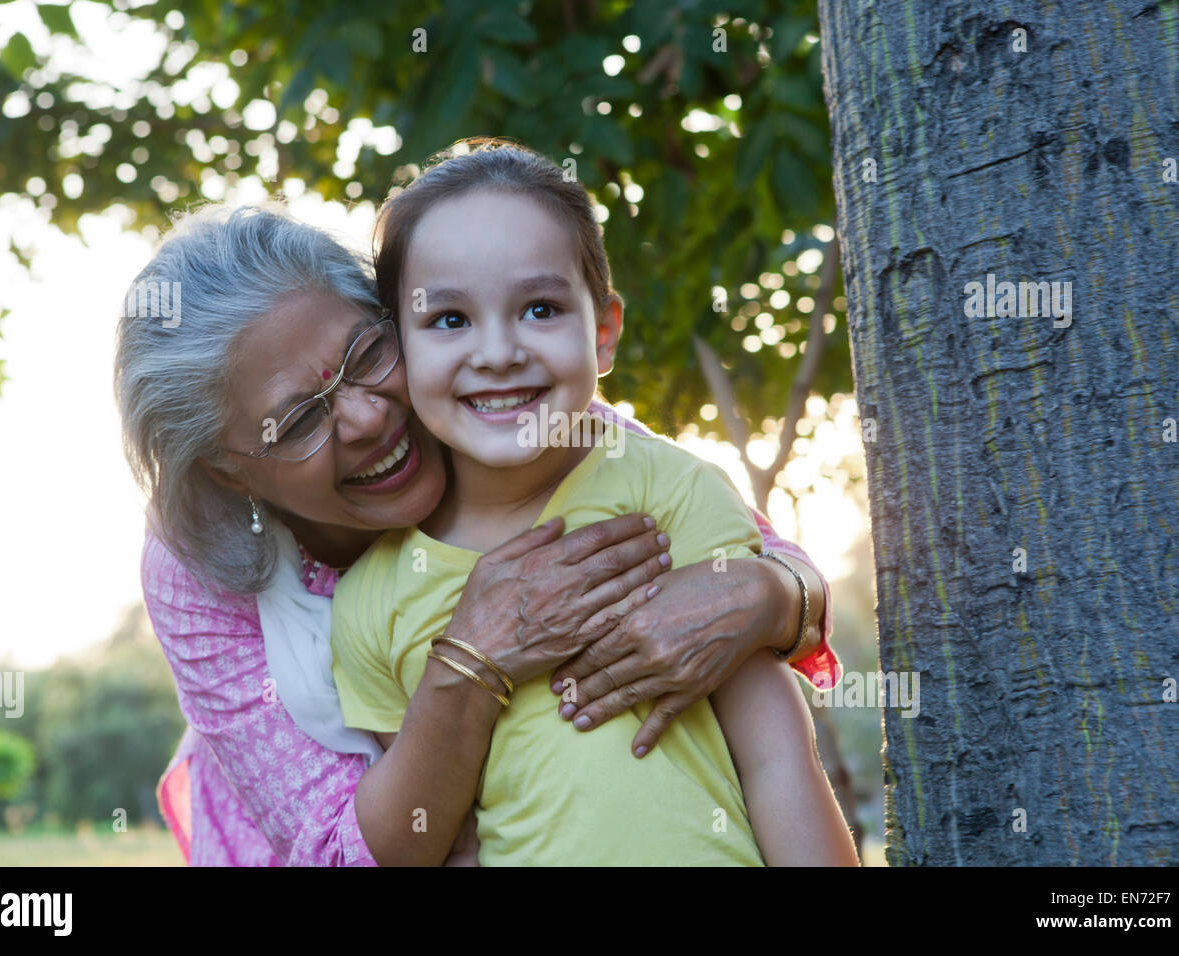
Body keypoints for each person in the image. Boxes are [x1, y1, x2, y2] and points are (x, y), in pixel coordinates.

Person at [115, 199, 842, 866]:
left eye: (369, 355)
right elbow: (339, 854)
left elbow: (716, 527)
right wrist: (472, 660)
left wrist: (773, 596)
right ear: (228, 474)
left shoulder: (501, 422)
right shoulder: (192, 565)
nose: (368, 419)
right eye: (301, 420)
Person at [331, 139, 857, 866]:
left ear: (603, 332)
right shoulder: (372, 599)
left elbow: (778, 760)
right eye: (449, 319)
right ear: (399, 348)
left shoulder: (670, 492)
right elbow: (438, 840)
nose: (498, 352)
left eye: (539, 308)